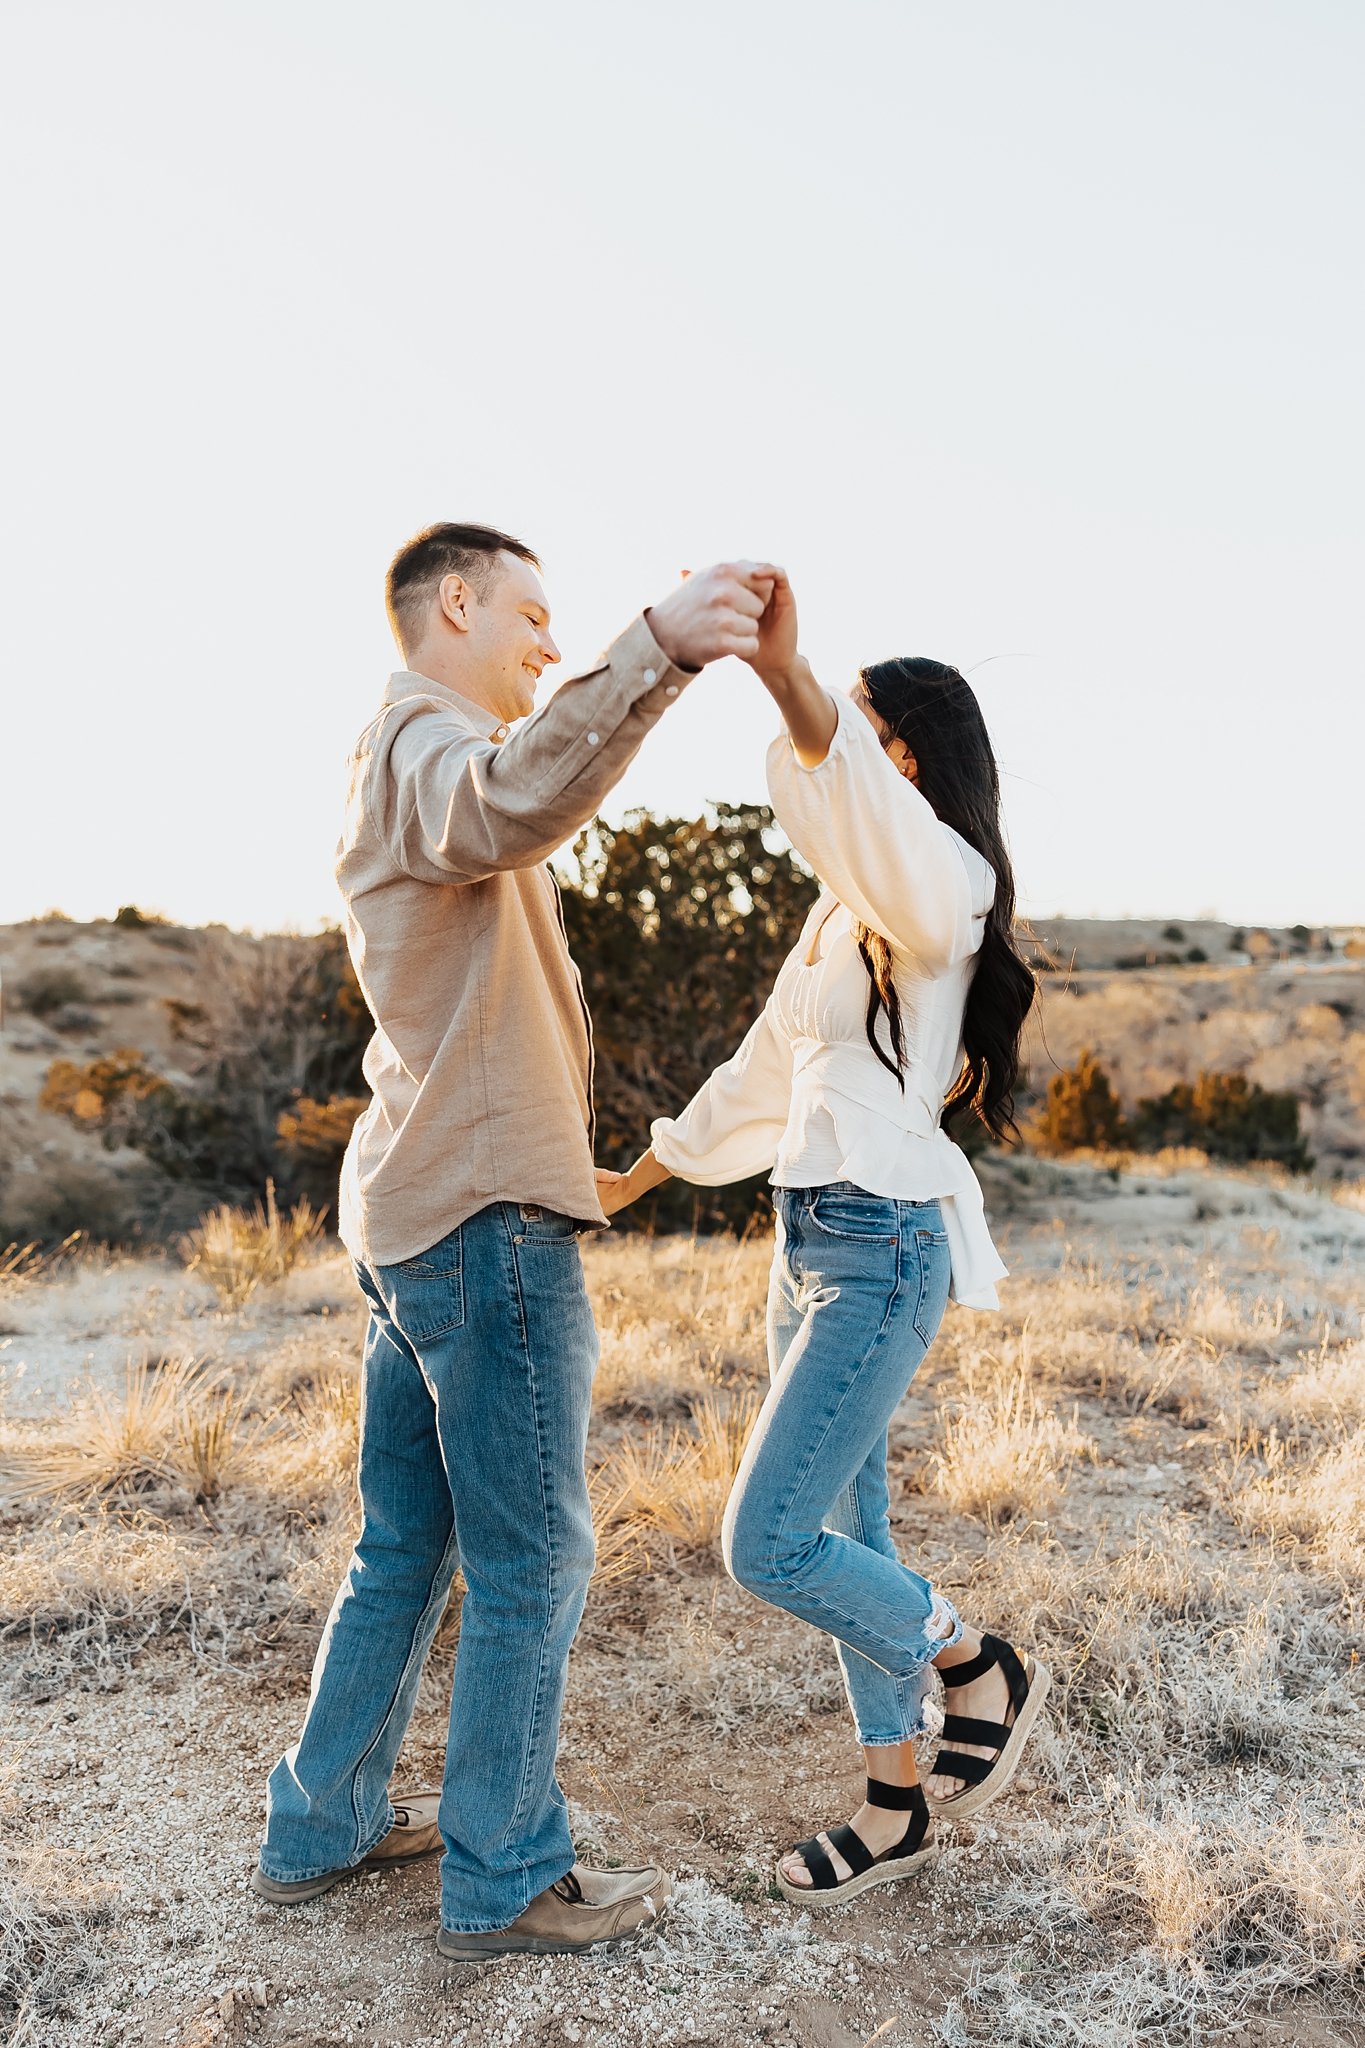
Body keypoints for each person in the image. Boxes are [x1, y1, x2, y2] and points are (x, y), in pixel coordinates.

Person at [252, 522, 779, 1959]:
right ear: (456, 600)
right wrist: (657, 649)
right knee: (533, 1562)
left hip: (432, 1207)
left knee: (405, 1548)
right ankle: (501, 1875)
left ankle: (324, 1823)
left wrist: (576, 1166)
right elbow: (511, 801)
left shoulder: (402, 752)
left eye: (570, 626)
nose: (552, 641)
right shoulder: (428, 746)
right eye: (534, 614)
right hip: (476, 1233)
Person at [599, 569, 1050, 1906]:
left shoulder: (942, 890)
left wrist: (788, 679)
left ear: (896, 756)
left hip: (879, 1251)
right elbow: (758, 1073)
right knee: (848, 1529)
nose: (822, 755)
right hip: (802, 1247)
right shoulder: (838, 916)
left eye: (852, 733)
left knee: (767, 1543)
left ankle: (974, 1664)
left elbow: (849, 800)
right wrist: (630, 1181)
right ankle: (893, 1805)